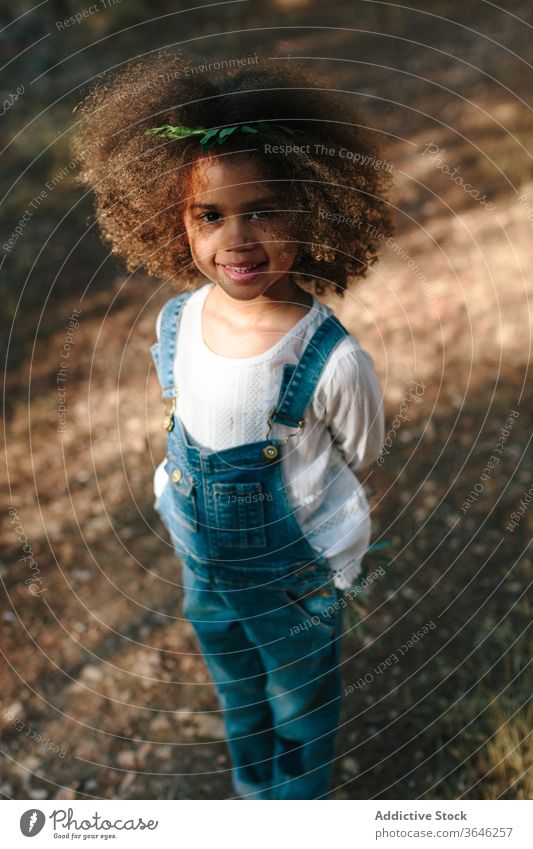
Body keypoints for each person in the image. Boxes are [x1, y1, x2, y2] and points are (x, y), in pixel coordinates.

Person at [71, 48, 393, 800]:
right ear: (172, 219)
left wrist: (335, 562)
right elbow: (180, 414)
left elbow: (360, 453)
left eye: (262, 212)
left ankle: (296, 806)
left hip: (291, 581)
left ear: (308, 209)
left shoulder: (328, 358)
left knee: (299, 704)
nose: (236, 239)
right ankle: (256, 797)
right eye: (209, 216)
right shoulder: (178, 320)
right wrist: (168, 497)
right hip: (202, 562)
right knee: (238, 691)